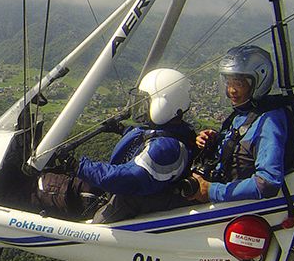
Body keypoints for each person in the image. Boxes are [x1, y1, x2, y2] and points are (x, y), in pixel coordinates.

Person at [35, 68, 196, 223]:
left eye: (147, 103)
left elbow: (127, 178)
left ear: (163, 106)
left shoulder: (166, 149)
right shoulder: (173, 132)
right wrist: (121, 130)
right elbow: (148, 138)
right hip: (129, 191)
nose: (142, 108)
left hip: (129, 201)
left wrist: (78, 166)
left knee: (94, 226)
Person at [188, 45, 288, 203]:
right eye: (229, 82)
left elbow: (267, 183)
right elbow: (241, 140)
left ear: (258, 82)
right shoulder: (244, 112)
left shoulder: (269, 122)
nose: (232, 90)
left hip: (228, 205)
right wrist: (216, 139)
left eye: (239, 84)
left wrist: (211, 191)